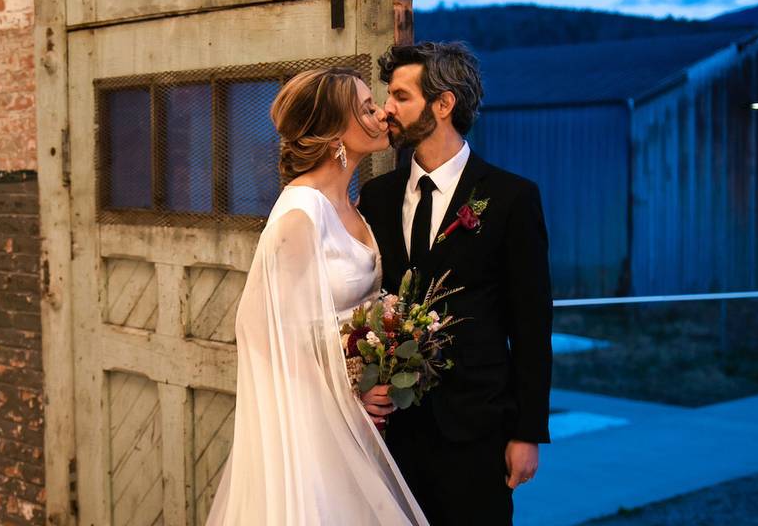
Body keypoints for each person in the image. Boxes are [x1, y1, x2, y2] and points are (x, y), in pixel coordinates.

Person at [206, 68, 428, 525]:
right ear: (333, 135)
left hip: (356, 419)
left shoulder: (350, 204)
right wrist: (346, 393)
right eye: (367, 109)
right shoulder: (300, 215)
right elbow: (263, 332)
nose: (382, 113)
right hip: (313, 424)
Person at [358, 42, 554, 526]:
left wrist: (528, 432)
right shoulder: (376, 197)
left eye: (401, 96)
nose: (387, 109)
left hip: (477, 433)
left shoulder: (510, 198)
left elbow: (532, 324)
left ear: (443, 104)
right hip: (393, 434)